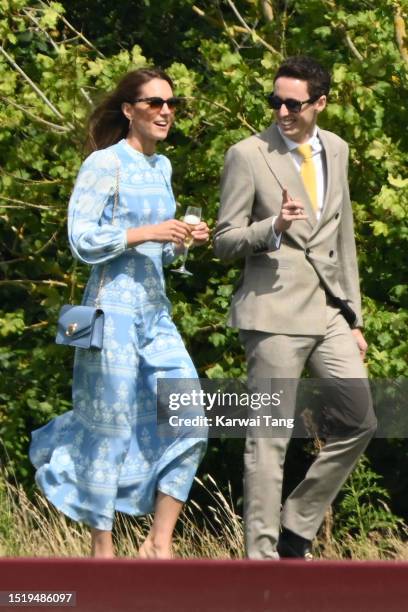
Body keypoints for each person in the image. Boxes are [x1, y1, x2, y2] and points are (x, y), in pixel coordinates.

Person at [30, 68, 209, 559]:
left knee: (191, 415)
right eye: (153, 103)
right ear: (129, 110)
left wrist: (182, 240)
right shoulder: (102, 164)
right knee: (108, 429)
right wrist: (147, 232)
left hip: (156, 312)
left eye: (171, 103)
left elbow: (163, 253)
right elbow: (80, 238)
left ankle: (159, 544)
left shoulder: (163, 167)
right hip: (111, 313)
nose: (165, 111)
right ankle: (102, 551)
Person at [214, 56, 377, 559]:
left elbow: (342, 236)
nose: (282, 111)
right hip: (272, 314)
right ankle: (262, 563)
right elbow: (223, 240)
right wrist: (274, 228)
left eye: (293, 102)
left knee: (361, 421)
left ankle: (296, 526)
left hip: (329, 312)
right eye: (275, 101)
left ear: (319, 103)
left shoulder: (339, 149)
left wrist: (353, 316)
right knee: (268, 439)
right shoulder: (247, 154)